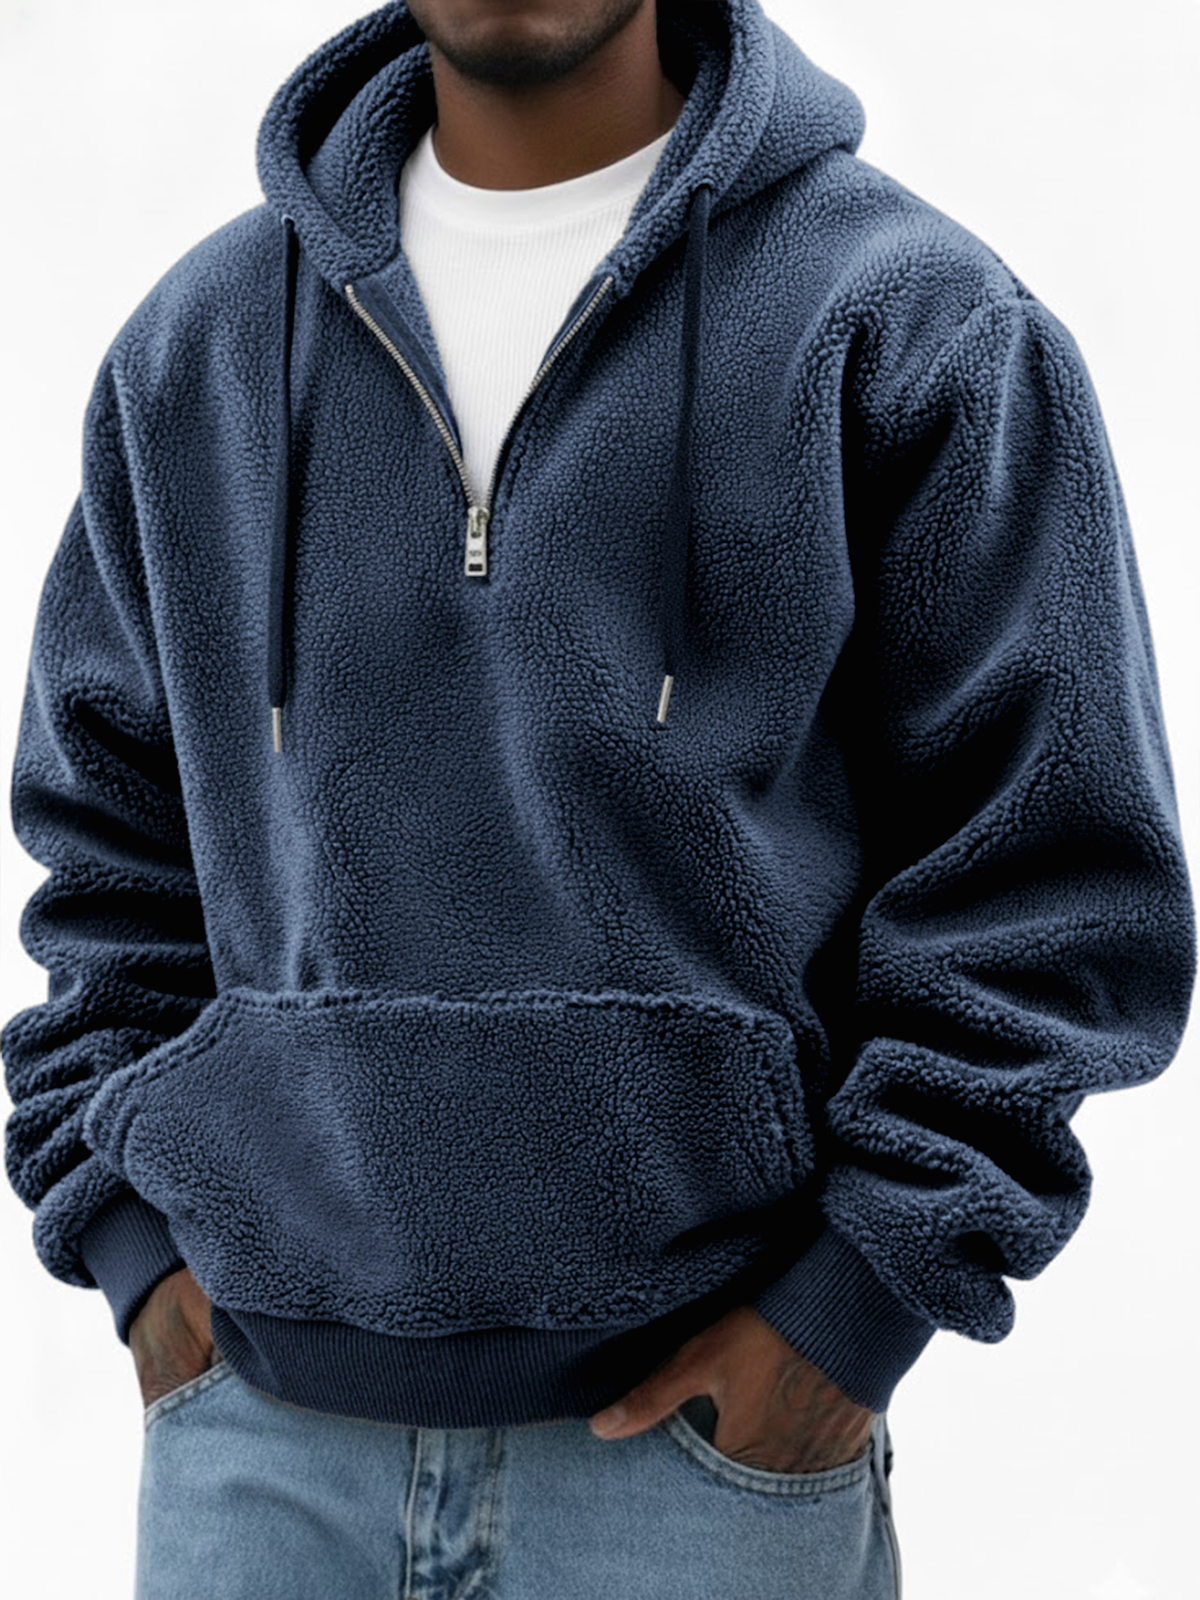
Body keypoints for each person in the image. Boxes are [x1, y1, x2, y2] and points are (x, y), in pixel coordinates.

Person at [2, 1, 1194, 1595]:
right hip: (257, 1465)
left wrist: (854, 1309)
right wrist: (133, 1252)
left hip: (702, 1473)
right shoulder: (200, 347)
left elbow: (1057, 877)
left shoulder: (915, 322)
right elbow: (104, 859)